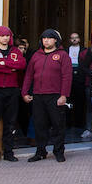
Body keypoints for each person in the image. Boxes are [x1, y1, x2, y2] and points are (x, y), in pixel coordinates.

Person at [22, 29, 72, 162]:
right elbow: (29, 75)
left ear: (55, 40)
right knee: (39, 125)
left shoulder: (62, 55)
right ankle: (40, 152)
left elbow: (67, 76)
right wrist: (25, 92)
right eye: (44, 38)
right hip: (38, 96)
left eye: (49, 38)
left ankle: (58, 152)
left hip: (55, 96)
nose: (46, 40)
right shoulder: (36, 55)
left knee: (58, 125)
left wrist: (64, 95)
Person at [0, 26, 26, 163]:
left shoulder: (15, 50)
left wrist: (4, 63)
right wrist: (11, 67)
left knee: (10, 124)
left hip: (12, 91)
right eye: (2, 35)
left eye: (7, 35)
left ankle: (8, 152)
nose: (5, 38)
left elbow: (22, 64)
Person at [66, 32, 87, 132]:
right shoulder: (66, 50)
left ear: (79, 39)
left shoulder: (84, 50)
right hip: (69, 76)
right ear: (70, 40)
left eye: (76, 37)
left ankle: (79, 122)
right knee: (68, 100)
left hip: (80, 77)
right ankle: (68, 122)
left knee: (80, 101)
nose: (74, 39)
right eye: (72, 38)